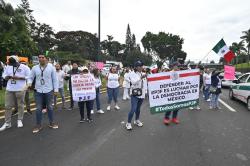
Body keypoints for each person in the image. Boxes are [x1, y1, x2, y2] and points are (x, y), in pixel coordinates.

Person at [28, 54, 59, 133]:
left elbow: (55, 79)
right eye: (39, 58)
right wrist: (29, 83)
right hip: (38, 91)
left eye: (43, 57)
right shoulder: (35, 68)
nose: (41, 59)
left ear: (46, 59)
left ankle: (52, 123)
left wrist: (56, 89)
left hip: (49, 90)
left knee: (50, 107)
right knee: (38, 108)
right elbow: (30, 77)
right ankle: (38, 125)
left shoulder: (51, 67)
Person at [0, 55, 30, 131]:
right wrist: (6, 77)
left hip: (20, 88)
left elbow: (29, 77)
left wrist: (20, 78)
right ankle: (7, 123)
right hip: (9, 88)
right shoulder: (8, 66)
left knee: (20, 105)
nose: (12, 65)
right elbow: (4, 74)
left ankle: (19, 120)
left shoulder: (25, 67)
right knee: (7, 106)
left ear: (18, 61)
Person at [126, 61, 147, 130]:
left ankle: (136, 120)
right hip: (135, 93)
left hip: (142, 94)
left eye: (141, 66)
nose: (141, 67)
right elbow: (133, 82)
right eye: (139, 66)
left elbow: (145, 84)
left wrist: (146, 91)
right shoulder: (131, 74)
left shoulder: (143, 73)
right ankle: (128, 123)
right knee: (133, 109)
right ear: (136, 67)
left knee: (138, 109)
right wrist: (141, 78)